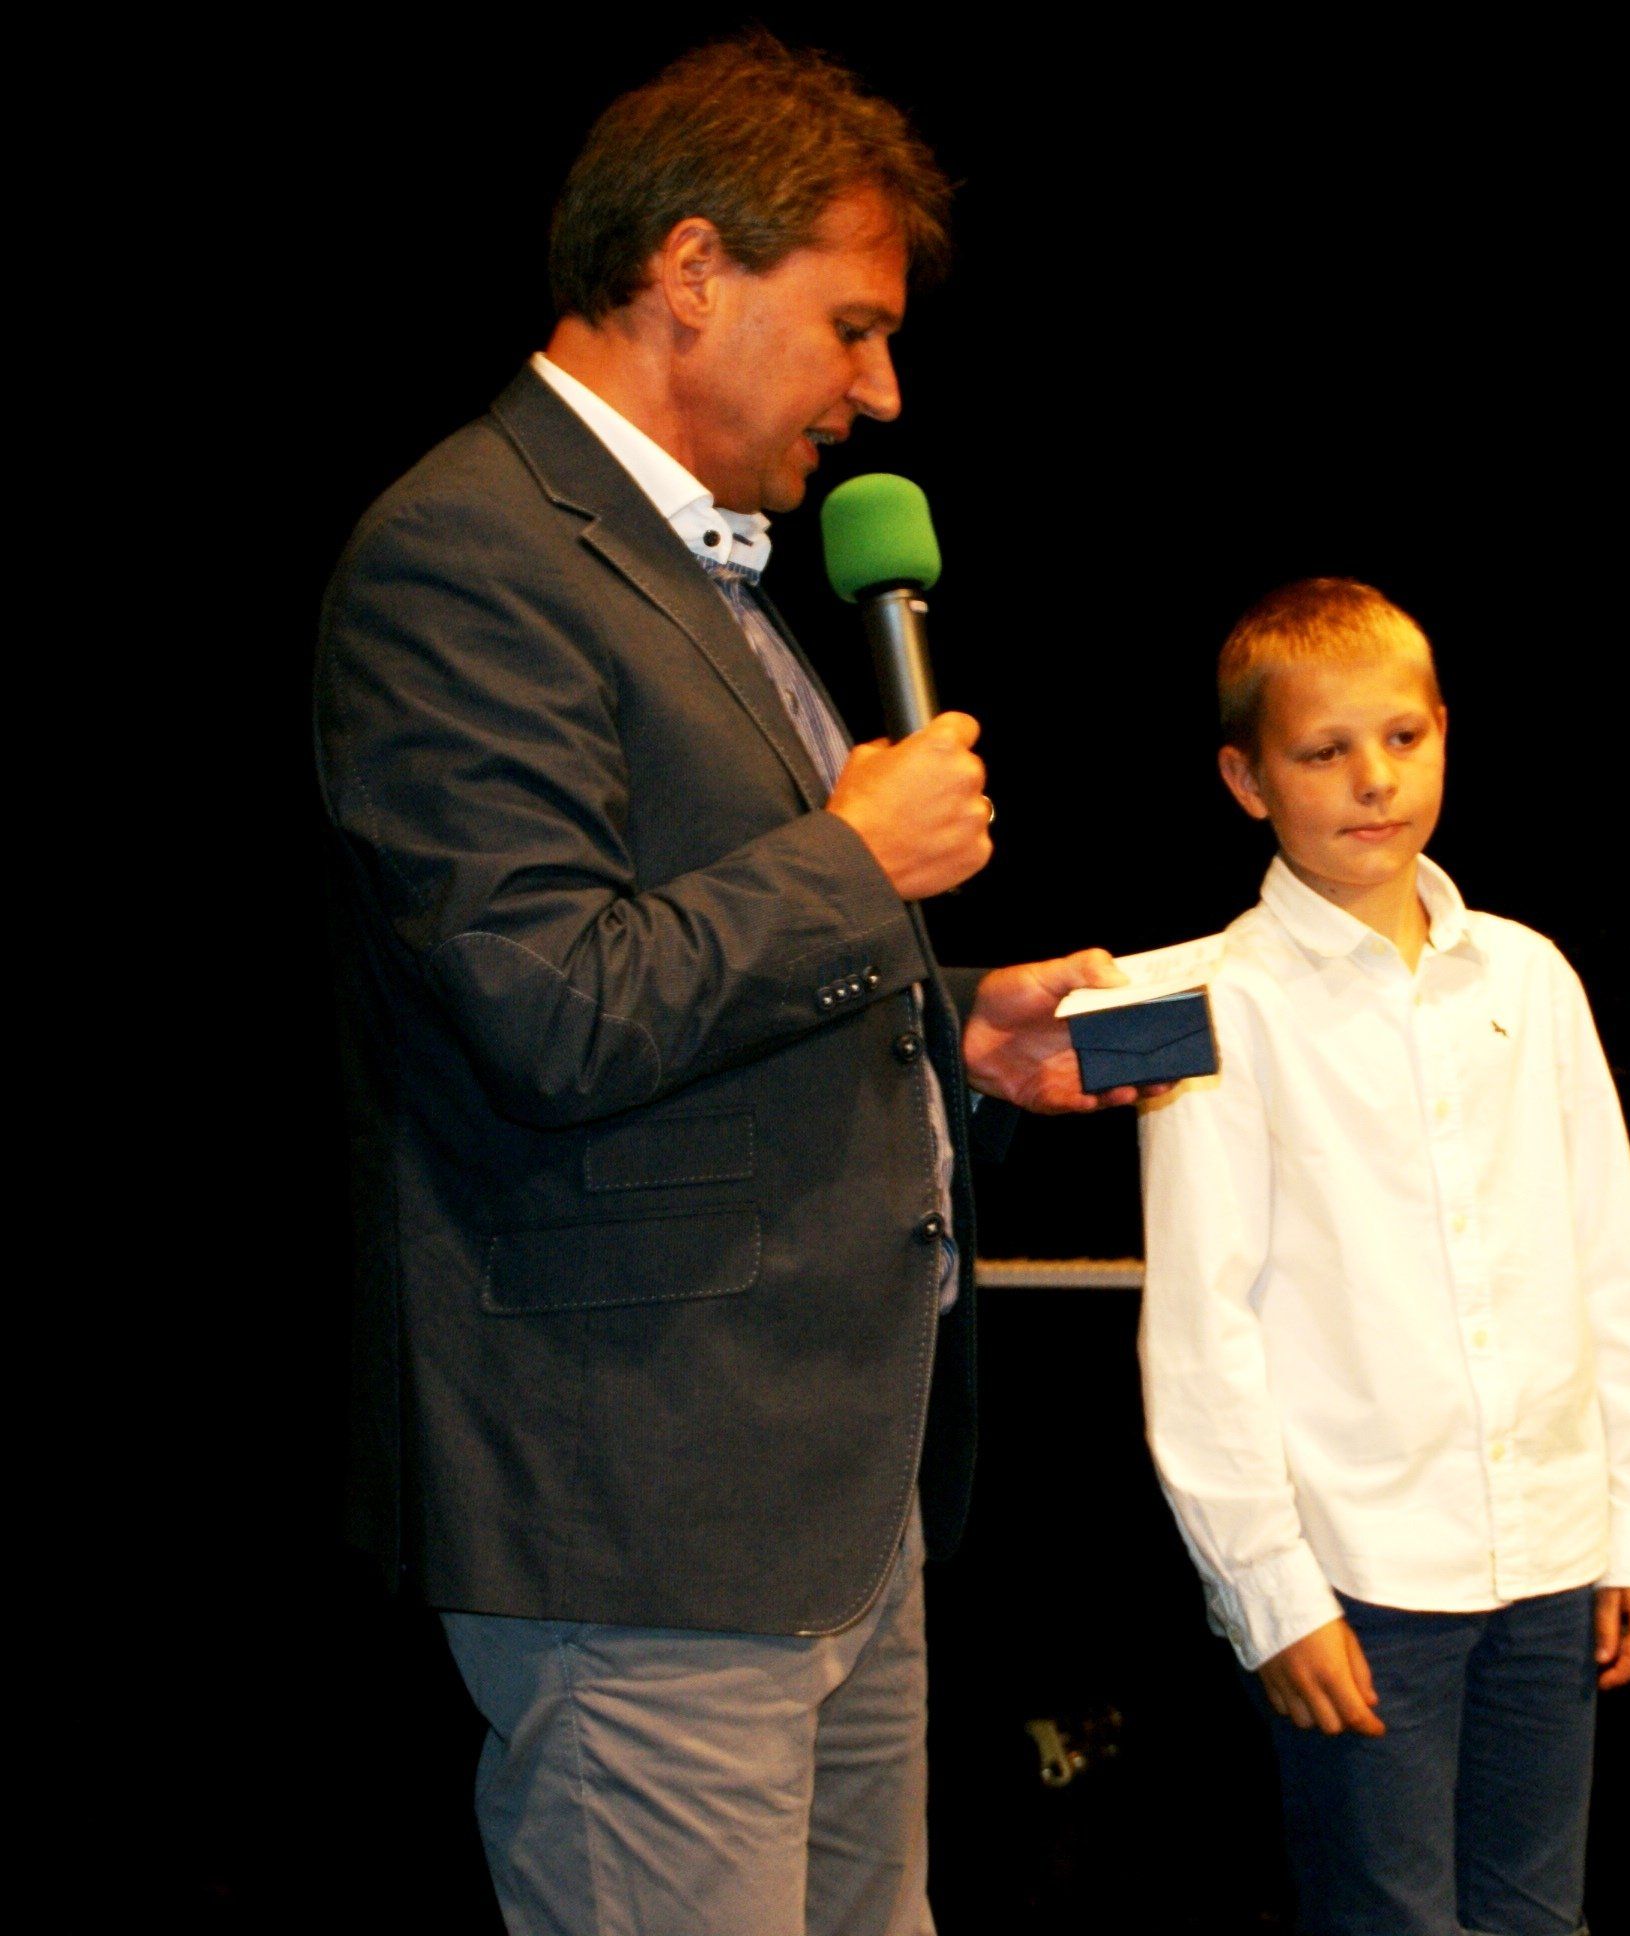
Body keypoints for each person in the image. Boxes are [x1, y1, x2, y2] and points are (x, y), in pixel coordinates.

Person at [314, 34, 1139, 1936]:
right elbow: (548, 1001)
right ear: (691, 270)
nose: (883, 389)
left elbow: (711, 955)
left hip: (823, 1503)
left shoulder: (697, 573)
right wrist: (854, 862)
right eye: (852, 327)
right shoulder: (464, 558)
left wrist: (950, 1020)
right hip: (646, 1517)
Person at [1138, 579, 1630, 1935]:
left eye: (1401, 738)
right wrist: (1269, 1592)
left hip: (1554, 1555)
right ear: (1246, 779)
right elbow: (1202, 1329)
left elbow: (1612, 1265)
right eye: (1322, 751)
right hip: (1361, 1578)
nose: (1372, 779)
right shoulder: (1205, 1002)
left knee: (1538, 1916)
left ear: (1445, 731)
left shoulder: (1528, 976)